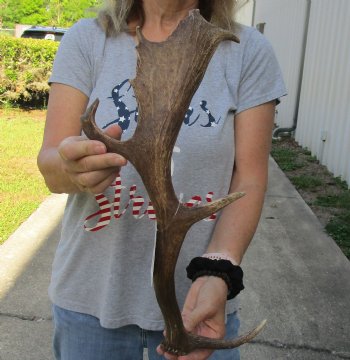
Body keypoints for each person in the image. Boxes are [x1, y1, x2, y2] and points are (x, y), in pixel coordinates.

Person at [37, 0, 286, 359]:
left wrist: (218, 270)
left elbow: (249, 177)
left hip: (198, 308)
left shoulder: (245, 51)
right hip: (89, 304)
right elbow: (51, 166)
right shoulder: (87, 41)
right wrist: (72, 169)